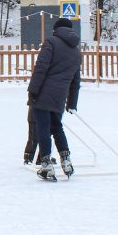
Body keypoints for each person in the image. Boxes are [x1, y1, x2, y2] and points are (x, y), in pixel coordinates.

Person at [26, 18, 82, 181]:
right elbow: (76, 81)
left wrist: (33, 91)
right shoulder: (76, 51)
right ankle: (66, 161)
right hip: (60, 96)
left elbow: (41, 67)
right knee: (57, 127)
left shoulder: (50, 42)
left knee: (43, 128)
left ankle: (46, 165)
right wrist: (72, 103)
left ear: (56, 29)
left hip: (44, 92)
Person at [23, 105, 72, 176]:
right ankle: (30, 156)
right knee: (37, 133)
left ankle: (41, 158)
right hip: (43, 106)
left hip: (45, 105)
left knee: (45, 132)